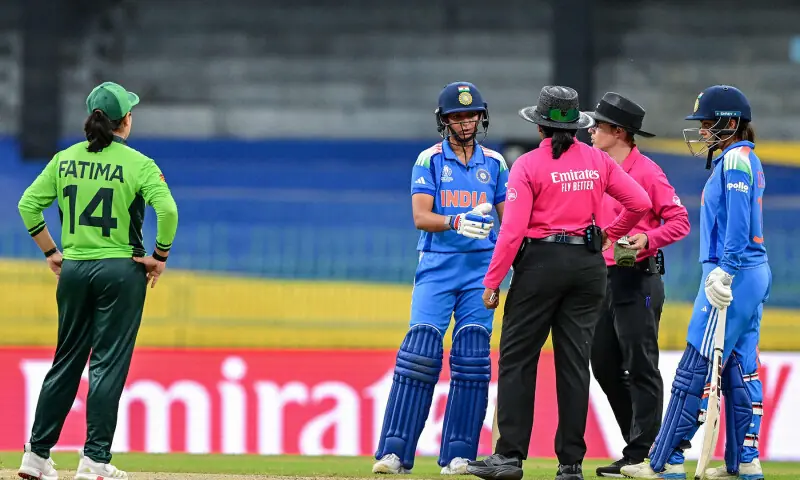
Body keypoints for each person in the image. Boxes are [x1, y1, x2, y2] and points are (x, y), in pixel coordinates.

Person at [466, 85, 652, 480]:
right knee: (573, 365)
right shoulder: (597, 161)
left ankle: (510, 457)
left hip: (540, 263)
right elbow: (639, 203)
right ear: (578, 126)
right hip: (587, 265)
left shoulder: (528, 165)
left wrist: (493, 280)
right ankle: (570, 464)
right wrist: (606, 234)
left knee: (518, 360)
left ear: (540, 127)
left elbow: (512, 230)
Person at [16, 81, 178, 480]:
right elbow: (168, 211)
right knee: (107, 364)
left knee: (65, 362)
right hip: (120, 272)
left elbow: (27, 204)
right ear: (126, 120)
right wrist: (158, 257)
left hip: (73, 270)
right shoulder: (138, 163)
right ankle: (94, 460)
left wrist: (52, 252)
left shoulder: (65, 159)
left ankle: (36, 456)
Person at [622, 85, 769, 480]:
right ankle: (744, 460)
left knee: (695, 366)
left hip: (731, 272)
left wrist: (726, 268)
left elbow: (738, 223)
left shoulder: (736, 161)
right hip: (749, 272)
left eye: (708, 123)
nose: (702, 131)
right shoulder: (741, 159)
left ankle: (665, 460)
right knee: (740, 367)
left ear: (731, 123)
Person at [372, 81, 509, 475]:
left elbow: (509, 219)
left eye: (470, 115)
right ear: (444, 121)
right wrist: (456, 221)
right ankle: (394, 453)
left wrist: (506, 263)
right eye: (456, 116)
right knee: (420, 354)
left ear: (481, 117)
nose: (464, 123)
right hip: (437, 268)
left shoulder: (496, 163)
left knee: (471, 358)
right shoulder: (429, 160)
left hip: (481, 272)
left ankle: (459, 455)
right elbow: (420, 217)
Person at [584, 92, 691, 477]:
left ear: (619, 131)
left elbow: (679, 221)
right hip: (601, 278)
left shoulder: (647, 171)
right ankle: (643, 445)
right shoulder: (593, 169)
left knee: (640, 363)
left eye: (599, 125)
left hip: (638, 277)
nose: (592, 130)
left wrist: (648, 239)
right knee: (604, 363)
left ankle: (644, 452)